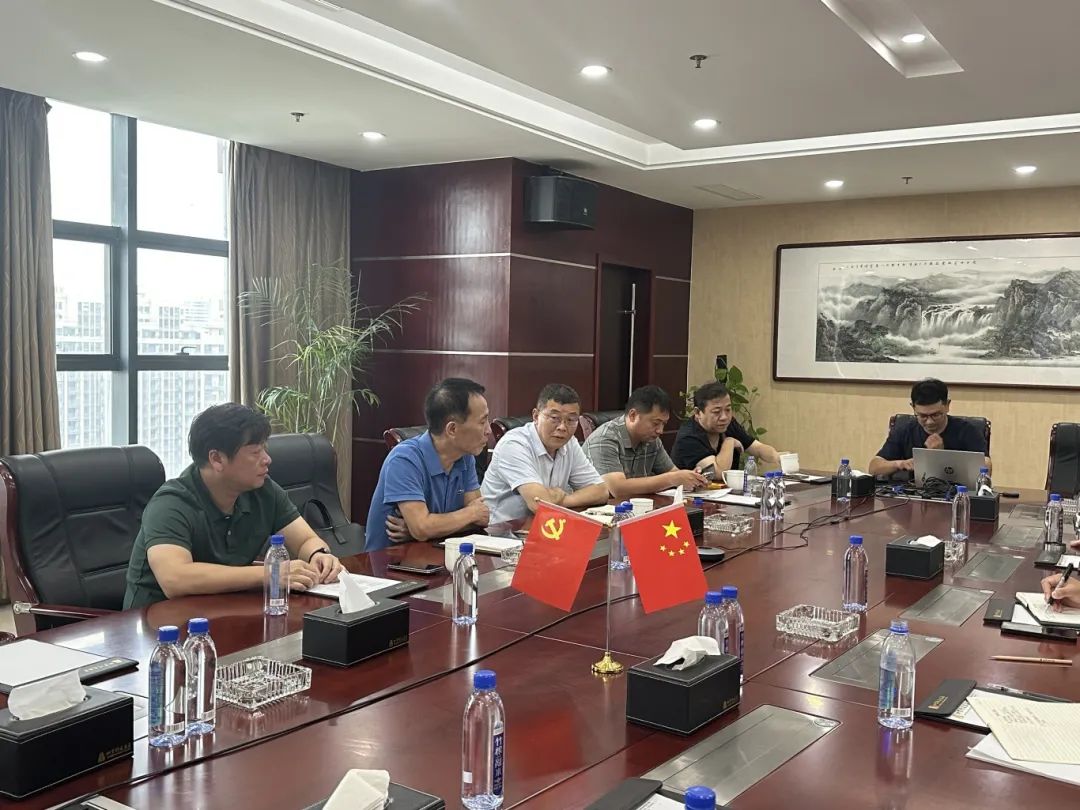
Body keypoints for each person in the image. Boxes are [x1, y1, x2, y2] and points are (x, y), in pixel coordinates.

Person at [124, 403, 343, 609]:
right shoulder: (171, 503)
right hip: (158, 624)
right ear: (217, 459)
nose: (267, 459)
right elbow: (175, 579)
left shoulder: (263, 490)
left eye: (264, 449)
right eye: (255, 452)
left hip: (224, 612)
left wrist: (318, 555)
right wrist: (271, 573)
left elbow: (304, 540)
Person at [365, 378, 491, 550]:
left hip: (438, 556)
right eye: (482, 422)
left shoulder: (465, 457)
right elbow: (423, 528)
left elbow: (480, 519)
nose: (488, 430)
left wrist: (428, 529)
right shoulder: (404, 459)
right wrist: (468, 514)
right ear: (452, 429)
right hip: (391, 562)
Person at [482, 383, 609, 524]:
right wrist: (550, 500)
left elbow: (601, 491)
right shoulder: (514, 444)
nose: (562, 427)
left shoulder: (569, 443)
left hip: (544, 526)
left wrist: (563, 499)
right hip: (499, 531)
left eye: (571, 420)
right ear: (536, 416)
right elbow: (539, 505)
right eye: (554, 418)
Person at [582, 385, 708, 499]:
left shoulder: (652, 439)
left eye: (663, 424)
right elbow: (617, 489)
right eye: (655, 423)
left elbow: (673, 473)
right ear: (633, 415)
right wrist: (673, 479)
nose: (660, 431)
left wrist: (691, 478)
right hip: (598, 511)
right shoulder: (604, 439)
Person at [868, 378, 991, 478]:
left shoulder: (967, 430)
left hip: (956, 494)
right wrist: (900, 464)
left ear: (947, 405)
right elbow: (874, 467)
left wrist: (941, 457)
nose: (930, 422)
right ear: (913, 407)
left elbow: (986, 467)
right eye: (922, 416)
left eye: (936, 415)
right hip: (912, 494)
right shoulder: (904, 430)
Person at [671, 381, 781, 474]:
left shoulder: (728, 423)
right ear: (698, 412)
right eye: (716, 412)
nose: (724, 417)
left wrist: (778, 457)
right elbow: (718, 472)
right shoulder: (688, 437)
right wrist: (729, 442)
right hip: (692, 493)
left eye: (728, 410)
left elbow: (757, 448)